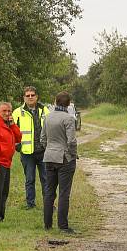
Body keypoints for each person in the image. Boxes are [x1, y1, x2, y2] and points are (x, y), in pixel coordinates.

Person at [40, 91, 78, 233]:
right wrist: (72, 155)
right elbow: (71, 141)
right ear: (68, 104)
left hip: (49, 157)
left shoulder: (47, 118)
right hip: (64, 158)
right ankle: (63, 226)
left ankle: (47, 224)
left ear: (55, 102)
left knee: (49, 192)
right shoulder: (68, 119)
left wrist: (49, 150)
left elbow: (42, 139)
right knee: (64, 193)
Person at [12, 86, 48, 209]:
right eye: (28, 95)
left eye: (33, 95)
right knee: (30, 180)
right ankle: (30, 204)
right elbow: (11, 131)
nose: (30, 97)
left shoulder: (45, 110)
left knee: (46, 180)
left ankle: (48, 204)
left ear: (37, 97)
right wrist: (17, 146)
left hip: (44, 151)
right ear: (24, 98)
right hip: (27, 152)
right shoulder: (17, 112)